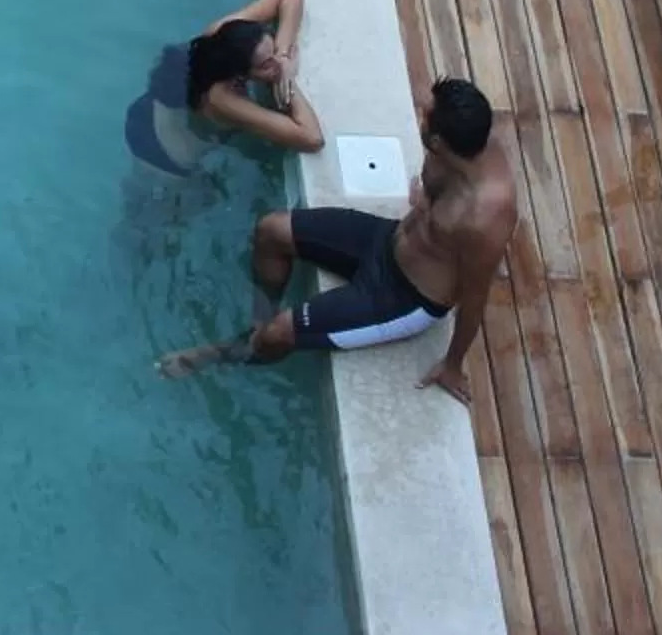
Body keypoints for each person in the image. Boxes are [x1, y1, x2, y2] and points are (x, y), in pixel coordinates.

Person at [156, 77, 515, 405]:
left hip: (403, 297)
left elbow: (474, 298)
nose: (418, 115)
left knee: (281, 333)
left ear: (437, 141)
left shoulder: (483, 218)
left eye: (424, 117)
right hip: (387, 240)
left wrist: (452, 364)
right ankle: (256, 326)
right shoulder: (465, 137)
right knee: (271, 230)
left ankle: (216, 355)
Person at [123, 0, 325, 176]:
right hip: (163, 156)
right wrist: (285, 78)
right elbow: (312, 138)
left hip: (153, 110)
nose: (276, 64)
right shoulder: (222, 98)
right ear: (239, 75)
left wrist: (282, 55)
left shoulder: (221, 35)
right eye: (265, 65)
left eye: (271, 47)